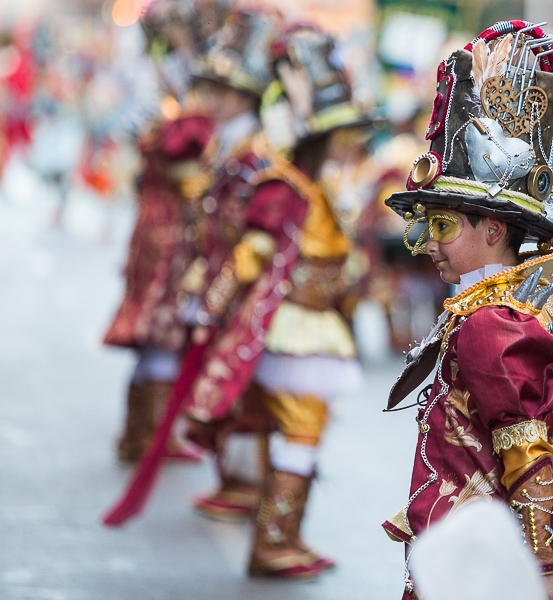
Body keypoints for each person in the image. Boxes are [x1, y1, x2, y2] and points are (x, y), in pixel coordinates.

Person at [379, 21, 553, 600]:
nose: (429, 242)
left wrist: (546, 567)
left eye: (444, 225)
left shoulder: (488, 324)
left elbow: (527, 451)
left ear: (495, 228)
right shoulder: (494, 308)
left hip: (492, 564)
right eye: (424, 227)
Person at [177, 16, 368, 578]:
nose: (346, 142)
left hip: (310, 328)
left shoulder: (311, 186)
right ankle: (273, 540)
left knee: (293, 432)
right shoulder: (283, 187)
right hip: (292, 332)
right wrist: (208, 308)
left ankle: (281, 534)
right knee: (302, 433)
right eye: (338, 132)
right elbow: (249, 255)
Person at [103, 0, 226, 464]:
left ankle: (139, 431)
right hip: (170, 230)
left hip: (152, 226)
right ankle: (150, 433)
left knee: (157, 328)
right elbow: (189, 174)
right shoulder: (178, 102)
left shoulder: (158, 86)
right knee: (164, 327)